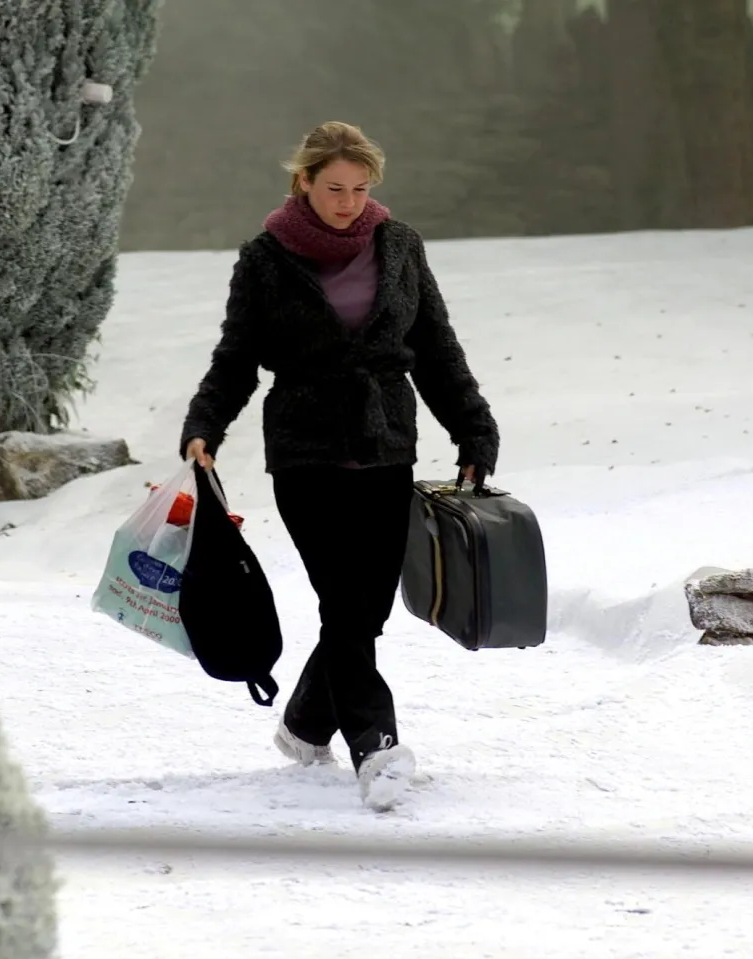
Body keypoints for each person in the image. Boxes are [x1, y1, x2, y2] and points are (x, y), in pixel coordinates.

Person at [180, 121, 499, 810]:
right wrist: (205, 424)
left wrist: (473, 429)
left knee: (367, 607)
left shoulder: (401, 246)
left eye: (359, 189)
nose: (348, 202)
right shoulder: (264, 259)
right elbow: (235, 358)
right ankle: (376, 746)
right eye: (333, 189)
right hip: (304, 449)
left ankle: (302, 723)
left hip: (386, 442)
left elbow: (437, 349)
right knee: (344, 603)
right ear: (302, 181)